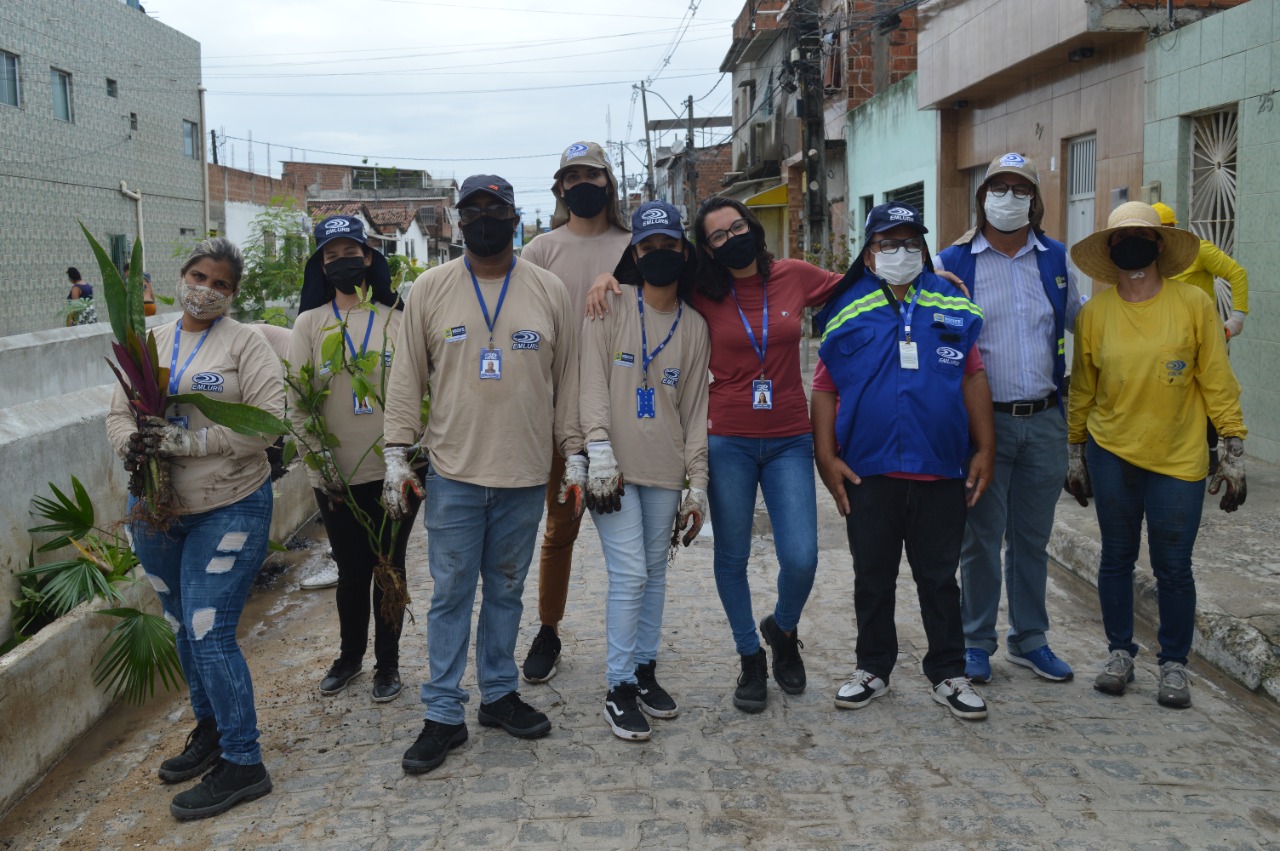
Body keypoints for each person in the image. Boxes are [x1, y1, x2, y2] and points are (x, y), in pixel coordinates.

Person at [590, 197, 845, 712]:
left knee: (801, 557)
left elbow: (859, 284)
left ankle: (783, 629)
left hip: (790, 437)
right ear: (705, 249)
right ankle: (750, 656)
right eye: (719, 237)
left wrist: (933, 277)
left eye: (738, 228)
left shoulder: (794, 275)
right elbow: (646, 279)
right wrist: (603, 278)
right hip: (728, 438)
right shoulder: (703, 292)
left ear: (753, 225)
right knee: (731, 557)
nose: (732, 239)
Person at [382, 175, 582, 774]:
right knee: (450, 595)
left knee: (506, 590)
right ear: (458, 219)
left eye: (497, 209)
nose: (485, 219)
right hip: (453, 472)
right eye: (473, 210)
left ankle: (497, 695)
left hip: (524, 473)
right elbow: (405, 378)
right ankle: (443, 713)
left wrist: (574, 452)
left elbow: (568, 380)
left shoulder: (548, 290)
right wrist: (396, 454)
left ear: (515, 217)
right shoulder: (430, 289)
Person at [105, 237, 283, 819]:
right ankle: (210, 730)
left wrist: (191, 441)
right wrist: (132, 444)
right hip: (158, 510)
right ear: (181, 277)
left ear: (233, 293)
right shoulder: (149, 340)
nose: (205, 289)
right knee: (183, 623)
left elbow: (267, 425)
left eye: (221, 283)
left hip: (229, 504)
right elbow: (117, 411)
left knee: (209, 629)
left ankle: (244, 761)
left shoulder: (246, 345)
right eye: (198, 276)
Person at [812, 202, 995, 721]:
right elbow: (824, 387)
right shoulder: (847, 309)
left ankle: (949, 672)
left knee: (938, 577)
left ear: (925, 249)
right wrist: (825, 456)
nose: (900, 253)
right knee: (873, 575)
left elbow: (973, 375)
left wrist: (985, 448)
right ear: (869, 256)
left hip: (941, 468)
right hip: (869, 470)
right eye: (888, 244)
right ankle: (872, 667)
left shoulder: (953, 304)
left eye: (910, 243)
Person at [1066, 201, 1247, 709]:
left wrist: (1232, 447)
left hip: (1179, 455)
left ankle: (1174, 665)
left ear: (1160, 246)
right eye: (1122, 240)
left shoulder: (1193, 304)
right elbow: (1083, 389)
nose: (1133, 247)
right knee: (1116, 558)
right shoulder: (1095, 314)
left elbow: (1215, 378)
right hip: (1112, 452)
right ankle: (1119, 654)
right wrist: (1075, 451)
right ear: (1110, 251)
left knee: (1174, 565)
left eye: (1142, 237)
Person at [936, 153, 1084, 685]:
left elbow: (1084, 323)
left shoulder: (1056, 259)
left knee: (1032, 537)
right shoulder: (953, 261)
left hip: (1045, 418)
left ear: (1034, 201)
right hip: (981, 425)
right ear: (982, 198)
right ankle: (976, 642)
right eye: (997, 187)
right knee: (980, 536)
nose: (1007, 197)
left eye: (1018, 189)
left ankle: (1030, 639)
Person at [579, 200, 709, 741]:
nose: (659, 254)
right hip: (612, 470)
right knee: (630, 572)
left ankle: (645, 669)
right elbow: (589, 383)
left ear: (684, 252)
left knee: (655, 572)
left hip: (665, 467)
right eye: (648, 246)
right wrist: (597, 451)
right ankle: (618, 687)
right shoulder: (608, 304)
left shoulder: (695, 326)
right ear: (635, 254)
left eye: (669, 246)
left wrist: (696, 484)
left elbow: (697, 408)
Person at [287, 215, 417, 704]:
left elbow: (419, 393)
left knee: (391, 566)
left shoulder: (397, 320)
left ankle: (388, 664)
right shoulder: (309, 323)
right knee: (350, 569)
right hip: (335, 474)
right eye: (331, 255)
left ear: (369, 257)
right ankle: (349, 657)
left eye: (351, 252)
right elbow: (297, 399)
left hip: (393, 471)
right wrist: (318, 463)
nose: (342, 262)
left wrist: (406, 460)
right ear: (321, 265)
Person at [518, 141, 632, 684]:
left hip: (625, 410)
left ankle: (633, 638)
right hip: (559, 413)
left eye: (592, 174)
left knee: (632, 538)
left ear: (608, 182)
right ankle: (548, 629)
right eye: (571, 176)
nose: (582, 183)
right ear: (559, 188)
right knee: (559, 529)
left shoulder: (634, 246)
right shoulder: (540, 251)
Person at [1152, 201, 1249, 474]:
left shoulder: (1198, 249)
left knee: (1206, 395)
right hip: (1166, 341)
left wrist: (1237, 317)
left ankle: (1211, 451)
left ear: (1173, 229)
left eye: (1162, 231)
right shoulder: (1152, 260)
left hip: (1204, 339)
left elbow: (1237, 274)